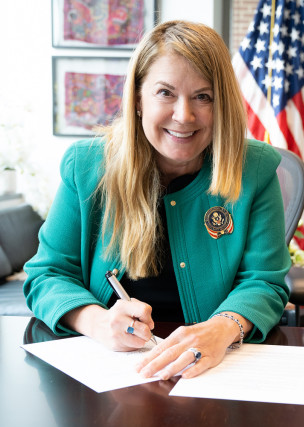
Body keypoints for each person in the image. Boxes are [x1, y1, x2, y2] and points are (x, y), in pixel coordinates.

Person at [23, 20, 290, 380]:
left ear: (221, 104)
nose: (184, 115)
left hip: (215, 369)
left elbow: (264, 281)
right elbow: (47, 273)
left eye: (203, 96)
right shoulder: (86, 166)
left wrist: (222, 328)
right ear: (137, 98)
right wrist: (97, 321)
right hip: (107, 367)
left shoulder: (254, 168)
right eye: (166, 92)